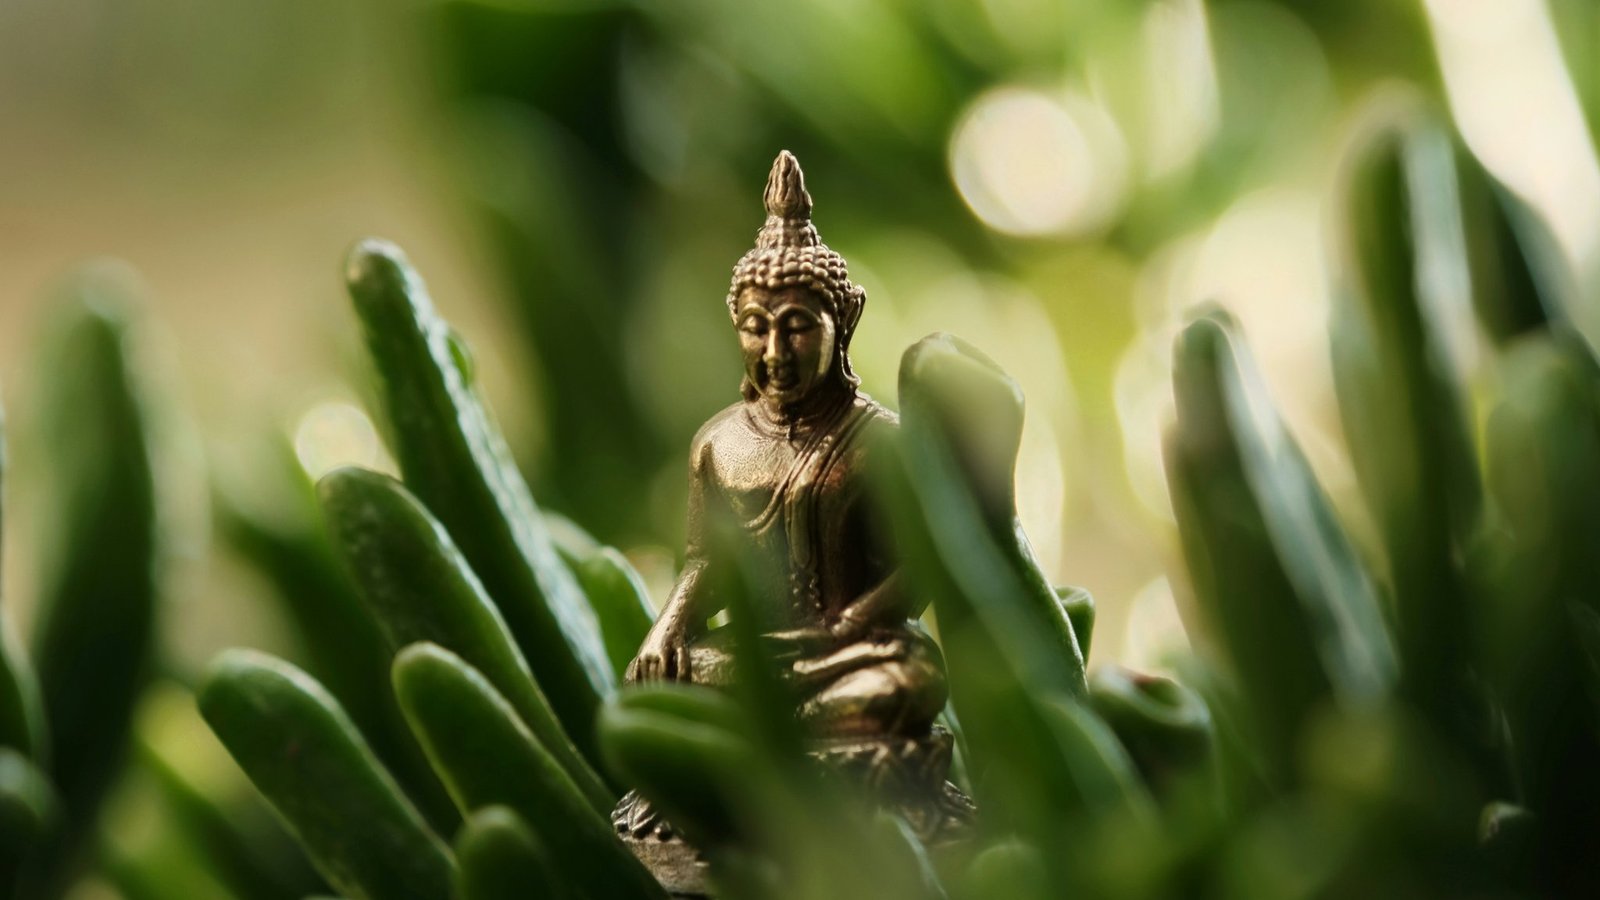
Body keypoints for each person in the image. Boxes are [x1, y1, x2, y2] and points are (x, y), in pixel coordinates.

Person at [624, 150, 947, 741]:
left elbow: (922, 563)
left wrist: (854, 621)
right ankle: (798, 736)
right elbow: (706, 563)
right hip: (757, 654)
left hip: (853, 651)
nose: (775, 351)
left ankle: (766, 741)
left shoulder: (880, 441)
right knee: (661, 682)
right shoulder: (718, 444)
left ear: (842, 323)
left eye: (797, 326)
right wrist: (666, 629)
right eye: (755, 326)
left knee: (909, 680)